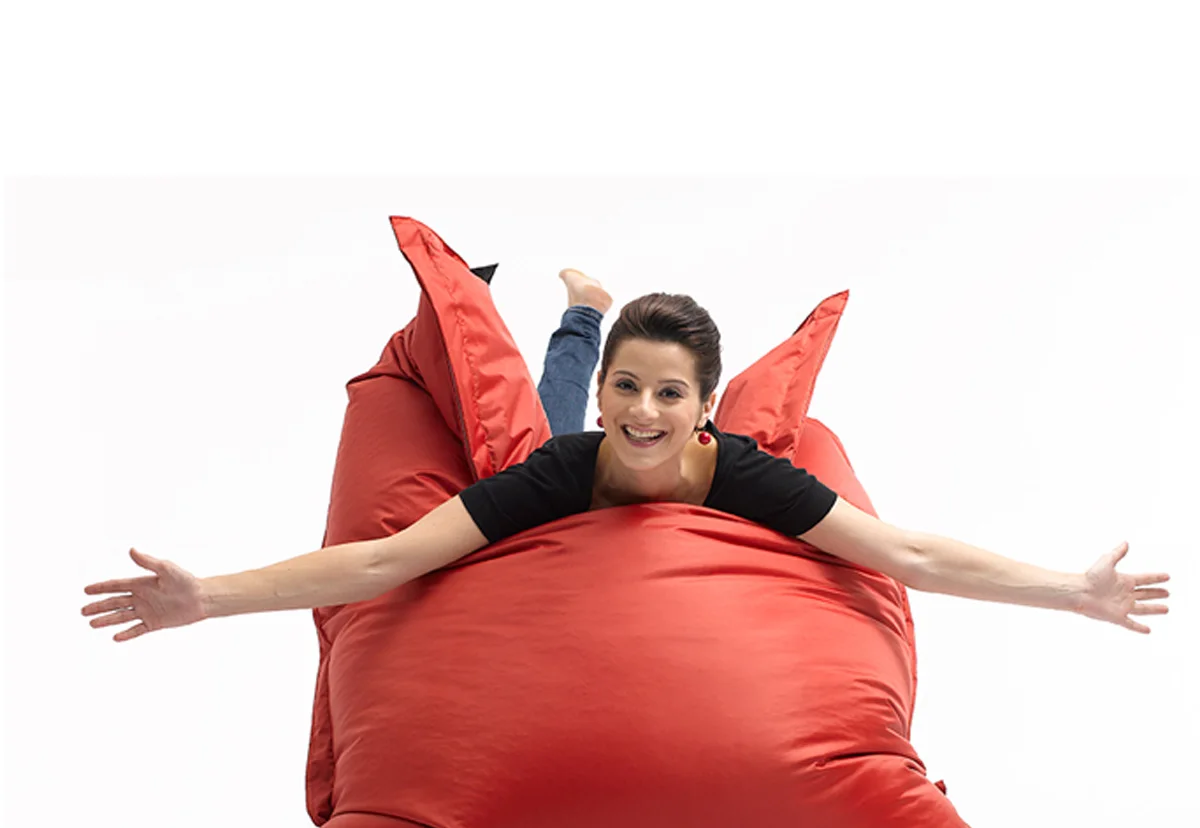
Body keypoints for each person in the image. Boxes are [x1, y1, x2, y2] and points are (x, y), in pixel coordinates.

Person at [81, 268, 1171, 641]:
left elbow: (909, 555)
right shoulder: (568, 467)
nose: (644, 412)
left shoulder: (741, 472)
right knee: (537, 419)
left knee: (555, 418)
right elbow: (383, 560)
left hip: (637, 466)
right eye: (630, 387)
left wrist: (1071, 589)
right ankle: (582, 318)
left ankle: (586, 310)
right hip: (562, 467)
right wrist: (206, 598)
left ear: (707, 411)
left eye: (669, 394)